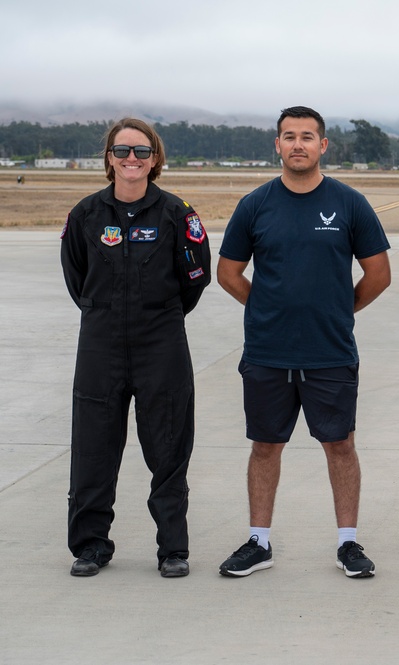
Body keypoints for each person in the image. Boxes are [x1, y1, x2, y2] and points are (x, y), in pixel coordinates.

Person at [216, 106, 391, 579]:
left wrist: (338, 310)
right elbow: (228, 273)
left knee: (340, 446)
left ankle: (348, 544)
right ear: (277, 144)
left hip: (329, 352)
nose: (298, 144)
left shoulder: (350, 203)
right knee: (265, 446)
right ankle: (259, 541)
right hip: (268, 352)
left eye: (307, 136)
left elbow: (379, 274)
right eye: (289, 136)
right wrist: (265, 308)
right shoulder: (255, 204)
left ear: (323, 145)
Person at [61, 118, 211, 578]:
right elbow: (76, 278)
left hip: (160, 346)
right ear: (108, 158)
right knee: (93, 450)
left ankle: (172, 550)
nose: (132, 160)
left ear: (155, 159)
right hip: (100, 347)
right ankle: (91, 545)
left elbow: (195, 278)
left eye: (141, 152)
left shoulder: (177, 214)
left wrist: (157, 316)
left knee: (168, 449)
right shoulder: (85, 215)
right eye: (122, 151)